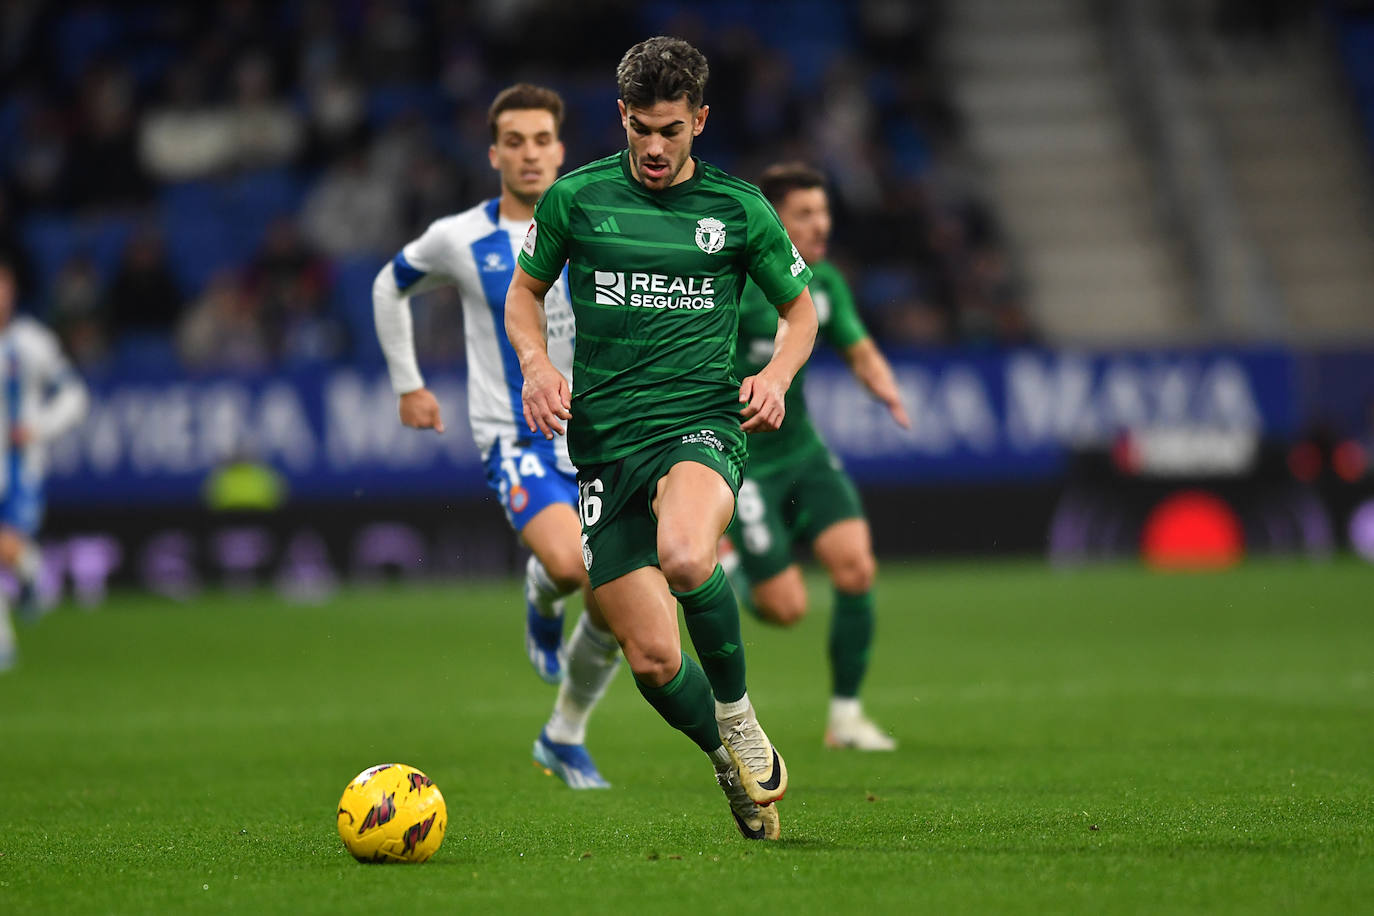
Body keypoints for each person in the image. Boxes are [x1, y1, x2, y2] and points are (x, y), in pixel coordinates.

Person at [507, 37, 819, 840]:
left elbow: (800, 313)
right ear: (622, 116)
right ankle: (724, 761)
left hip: (700, 423)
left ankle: (740, 712)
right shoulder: (576, 200)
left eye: (670, 130)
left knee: (686, 555)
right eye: (641, 127)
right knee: (649, 659)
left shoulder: (739, 209)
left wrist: (777, 377)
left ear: (700, 121)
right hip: (606, 445)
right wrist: (537, 364)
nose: (653, 146)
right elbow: (524, 296)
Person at [372, 84, 620, 789]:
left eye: (542, 139)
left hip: (602, 438)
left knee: (620, 598)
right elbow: (388, 287)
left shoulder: (598, 223)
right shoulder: (461, 238)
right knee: (574, 568)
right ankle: (543, 596)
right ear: (494, 153)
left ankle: (564, 735)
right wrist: (408, 384)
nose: (530, 153)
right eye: (515, 141)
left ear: (561, 148)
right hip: (517, 435)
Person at [722, 162, 910, 751]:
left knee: (856, 567)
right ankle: (730, 566)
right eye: (805, 213)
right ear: (775, 220)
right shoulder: (729, 283)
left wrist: (883, 385)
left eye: (823, 212)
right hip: (745, 463)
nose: (820, 224)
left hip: (803, 452)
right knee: (785, 610)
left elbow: (858, 347)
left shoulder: (823, 283)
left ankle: (847, 718)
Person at [0, 259, 90, 671]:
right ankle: (5, 640)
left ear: (13, 291)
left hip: (18, 464)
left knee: (6, 543)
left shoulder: (32, 342)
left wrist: (39, 428)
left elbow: (74, 394)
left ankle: (33, 573)